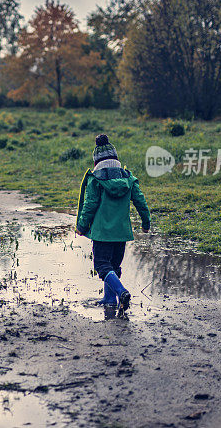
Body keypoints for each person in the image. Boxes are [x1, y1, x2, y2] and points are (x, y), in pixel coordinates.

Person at [75, 134, 151, 315]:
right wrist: (146, 222)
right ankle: (109, 299)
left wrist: (81, 226)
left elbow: (90, 205)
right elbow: (141, 202)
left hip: (102, 234)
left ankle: (121, 292)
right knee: (113, 266)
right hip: (121, 234)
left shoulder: (96, 180)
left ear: (96, 162)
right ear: (116, 159)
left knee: (102, 265)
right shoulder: (129, 179)